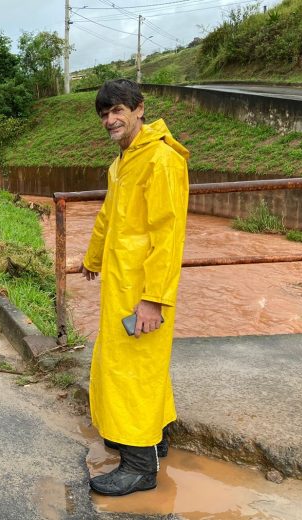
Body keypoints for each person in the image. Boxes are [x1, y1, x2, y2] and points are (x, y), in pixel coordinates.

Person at [81, 79, 189, 496]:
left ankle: (141, 466)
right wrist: (92, 258)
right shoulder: (123, 161)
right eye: (104, 114)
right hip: (120, 283)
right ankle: (156, 436)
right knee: (136, 366)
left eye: (117, 110)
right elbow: (110, 217)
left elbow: (169, 235)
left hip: (144, 290)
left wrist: (154, 299)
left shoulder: (161, 161)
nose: (110, 119)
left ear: (139, 109)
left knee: (134, 373)